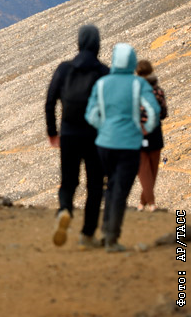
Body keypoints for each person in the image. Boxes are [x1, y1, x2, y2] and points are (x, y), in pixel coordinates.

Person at [86, 43, 160, 252]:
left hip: (104, 144)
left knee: (110, 187)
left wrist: (104, 128)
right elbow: (153, 111)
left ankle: (104, 231)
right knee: (120, 190)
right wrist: (144, 129)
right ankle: (111, 237)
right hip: (129, 144)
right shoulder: (138, 84)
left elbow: (91, 114)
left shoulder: (102, 83)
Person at [45, 24, 109, 249]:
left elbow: (50, 101)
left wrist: (53, 133)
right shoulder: (103, 72)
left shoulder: (64, 69)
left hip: (69, 134)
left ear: (79, 42)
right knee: (94, 187)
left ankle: (64, 210)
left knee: (69, 181)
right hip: (95, 137)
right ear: (97, 44)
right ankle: (87, 235)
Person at [135, 60, 167, 212]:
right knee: (152, 173)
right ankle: (147, 204)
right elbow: (164, 114)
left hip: (138, 135)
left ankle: (146, 204)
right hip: (155, 134)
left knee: (144, 171)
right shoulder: (158, 91)